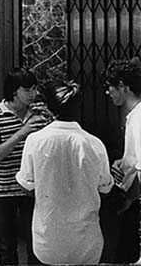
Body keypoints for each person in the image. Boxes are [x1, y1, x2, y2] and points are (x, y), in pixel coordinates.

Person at [16, 80, 113, 265]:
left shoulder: (35, 141)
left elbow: (27, 187)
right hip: (86, 240)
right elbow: (105, 189)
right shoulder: (94, 144)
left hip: (48, 239)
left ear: (49, 108)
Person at [0, 68, 46, 265]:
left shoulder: (38, 113)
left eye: (35, 89)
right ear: (14, 91)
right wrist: (23, 132)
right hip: (4, 189)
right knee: (7, 245)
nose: (33, 94)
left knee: (36, 243)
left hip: (32, 189)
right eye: (28, 90)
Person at [104, 57, 141, 263]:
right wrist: (125, 161)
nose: (108, 93)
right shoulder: (135, 115)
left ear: (122, 86)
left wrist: (128, 200)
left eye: (110, 87)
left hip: (135, 202)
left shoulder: (138, 117)